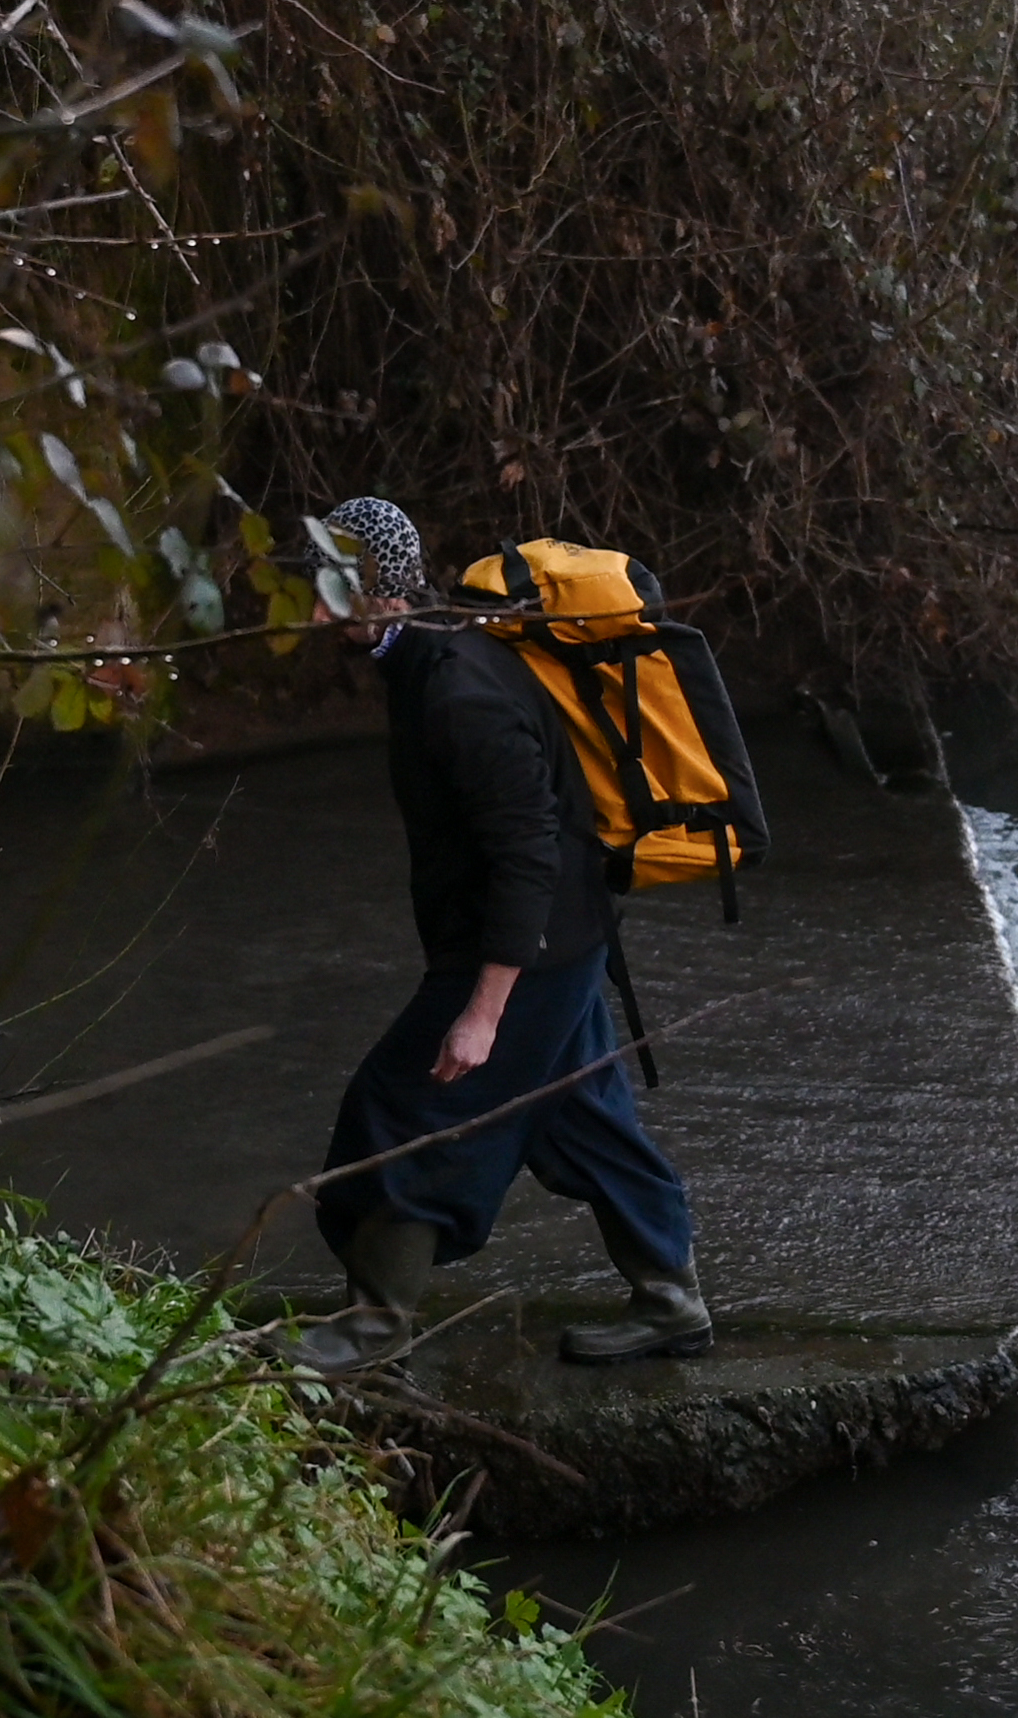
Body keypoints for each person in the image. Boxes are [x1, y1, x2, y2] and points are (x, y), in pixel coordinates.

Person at [283, 497, 711, 1376]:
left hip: (534, 945)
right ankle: (673, 1301)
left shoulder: (458, 690)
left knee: (403, 1106)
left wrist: (482, 1011)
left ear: (389, 591)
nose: (318, 612)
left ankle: (374, 1330)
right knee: (582, 1122)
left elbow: (529, 858)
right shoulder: (430, 661)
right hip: (564, 934)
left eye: (336, 590)